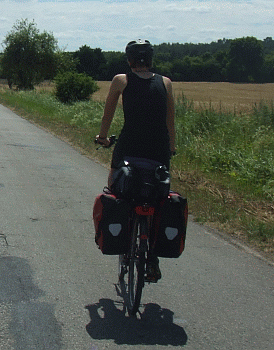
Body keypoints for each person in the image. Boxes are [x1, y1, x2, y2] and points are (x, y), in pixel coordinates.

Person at [94, 39, 176, 282]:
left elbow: (108, 113)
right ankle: (151, 255)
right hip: (159, 151)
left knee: (114, 188)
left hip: (128, 148)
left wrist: (103, 137)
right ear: (151, 60)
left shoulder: (121, 80)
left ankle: (122, 234)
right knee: (157, 198)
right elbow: (170, 120)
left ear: (129, 60)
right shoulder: (166, 83)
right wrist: (171, 146)